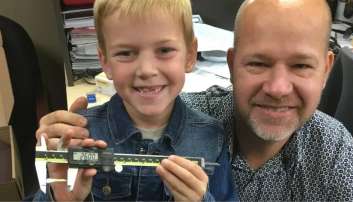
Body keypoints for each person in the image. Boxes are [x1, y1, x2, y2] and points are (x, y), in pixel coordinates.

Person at [36, 0, 353, 201]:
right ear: (231, 65)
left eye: (301, 65)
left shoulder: (337, 157)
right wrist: (54, 185)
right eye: (257, 63)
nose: (277, 87)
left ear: (326, 69)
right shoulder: (186, 114)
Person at [33, 0, 236, 201]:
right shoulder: (79, 137)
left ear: (190, 55)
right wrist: (59, 197)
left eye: (164, 50)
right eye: (125, 53)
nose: (146, 70)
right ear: (105, 62)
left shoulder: (212, 137)